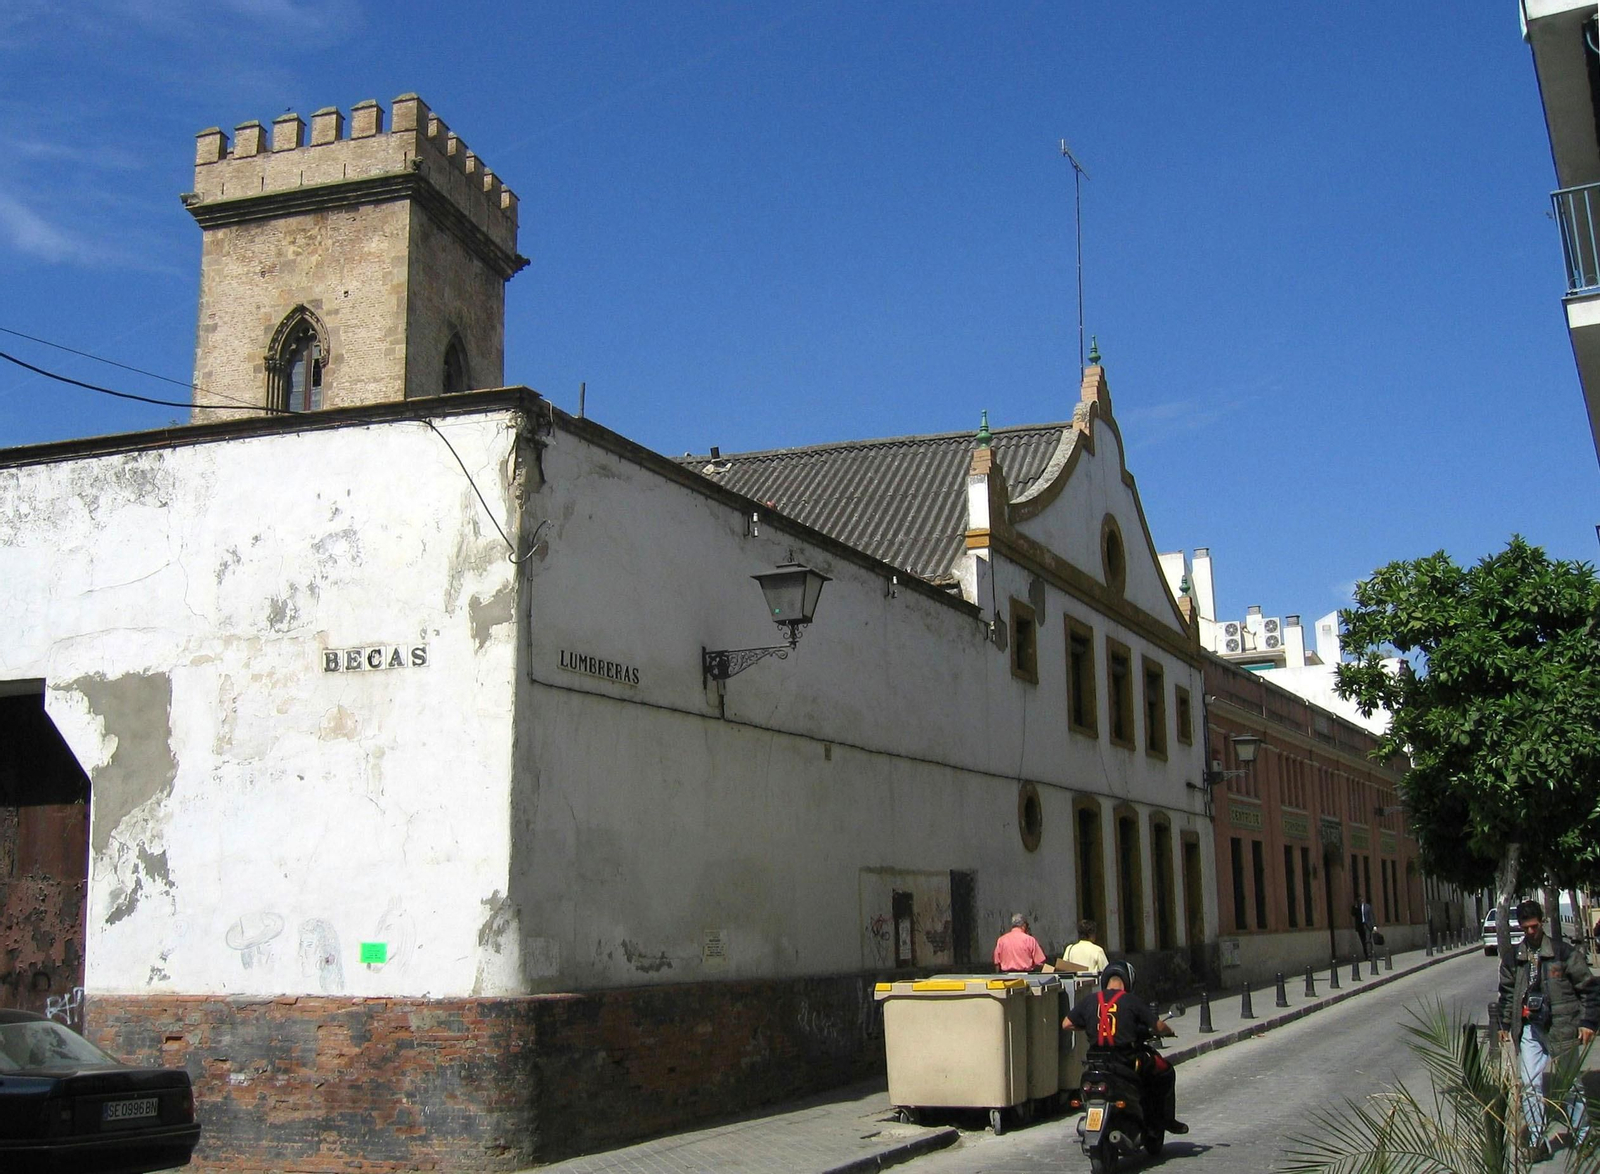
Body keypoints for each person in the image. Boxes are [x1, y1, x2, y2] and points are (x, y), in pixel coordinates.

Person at [1497, 899, 1599, 1159]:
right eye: (1526, 927)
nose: (1531, 932)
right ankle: (1536, 1141)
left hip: (1562, 1028)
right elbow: (1507, 993)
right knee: (1530, 1085)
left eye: (1535, 926)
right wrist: (1505, 1023)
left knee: (1569, 1084)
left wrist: (1588, 1023)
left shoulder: (1562, 952)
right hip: (1530, 1029)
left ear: (1541, 922)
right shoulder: (1514, 957)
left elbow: (1588, 987)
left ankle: (1583, 1135)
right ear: (1520, 927)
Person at [1062, 960, 1187, 1135]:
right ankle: (1166, 1120)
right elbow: (1157, 1026)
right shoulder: (1131, 1000)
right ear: (1128, 981)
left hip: (1096, 1062)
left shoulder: (1090, 1000)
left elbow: (1066, 1024)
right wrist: (1169, 1031)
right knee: (1165, 1070)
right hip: (1126, 1060)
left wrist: (1089, 1026)